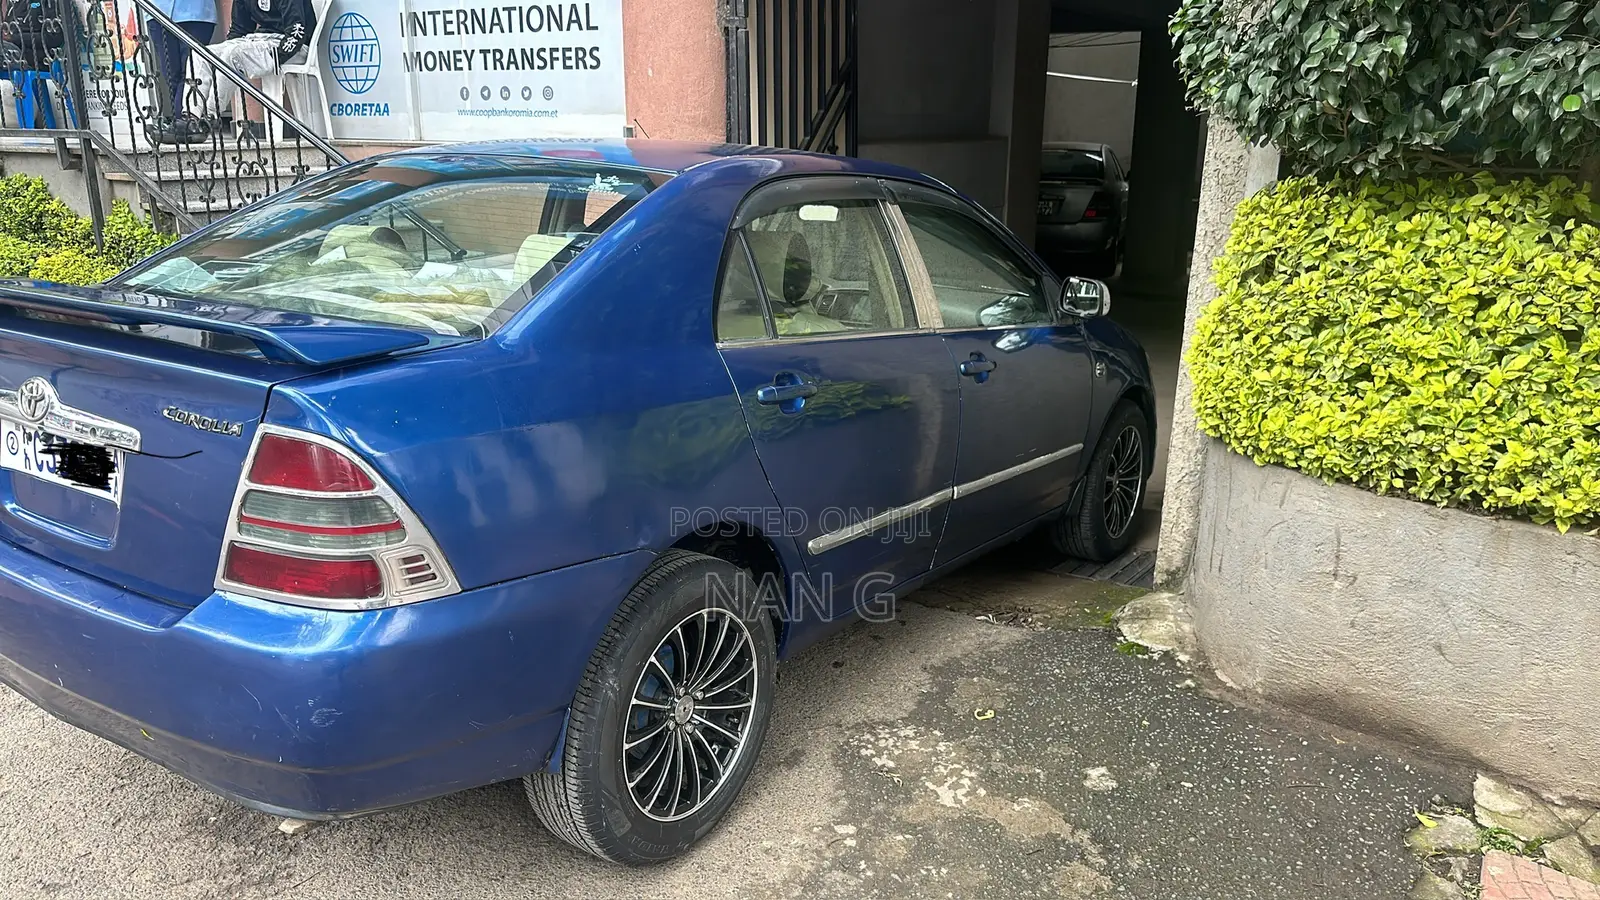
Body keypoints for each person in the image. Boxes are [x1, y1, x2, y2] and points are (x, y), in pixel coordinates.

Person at [191, 0, 312, 136]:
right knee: (199, 53)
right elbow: (239, 29)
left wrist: (277, 57)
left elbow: (297, 32)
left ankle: (209, 117)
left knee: (233, 55)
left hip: (289, 45)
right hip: (259, 39)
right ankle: (191, 118)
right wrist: (225, 51)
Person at [144, 0, 217, 143]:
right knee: (170, 73)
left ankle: (183, 122)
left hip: (196, 13)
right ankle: (183, 125)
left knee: (191, 71)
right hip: (158, 11)